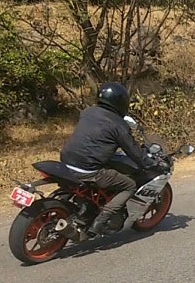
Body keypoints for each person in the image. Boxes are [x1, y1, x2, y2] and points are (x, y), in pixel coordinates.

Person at [60, 82, 161, 238]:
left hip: (67, 160)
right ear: (120, 102)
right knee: (129, 185)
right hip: (88, 170)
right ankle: (101, 220)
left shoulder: (88, 111)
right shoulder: (119, 126)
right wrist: (151, 164)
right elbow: (134, 152)